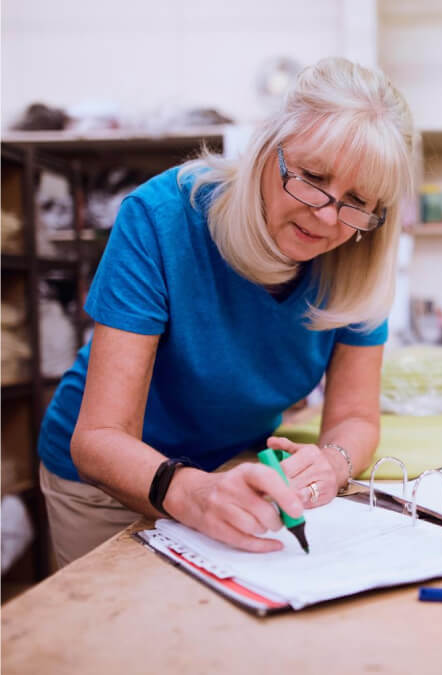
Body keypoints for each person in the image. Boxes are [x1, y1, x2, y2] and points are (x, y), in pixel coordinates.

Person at [37, 57, 415, 567]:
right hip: (105, 484)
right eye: (311, 177)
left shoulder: (357, 256)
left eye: (356, 201)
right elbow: (99, 439)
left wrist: (332, 463)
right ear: (266, 149)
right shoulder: (163, 218)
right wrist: (191, 492)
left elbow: (353, 415)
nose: (327, 216)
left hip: (234, 470)